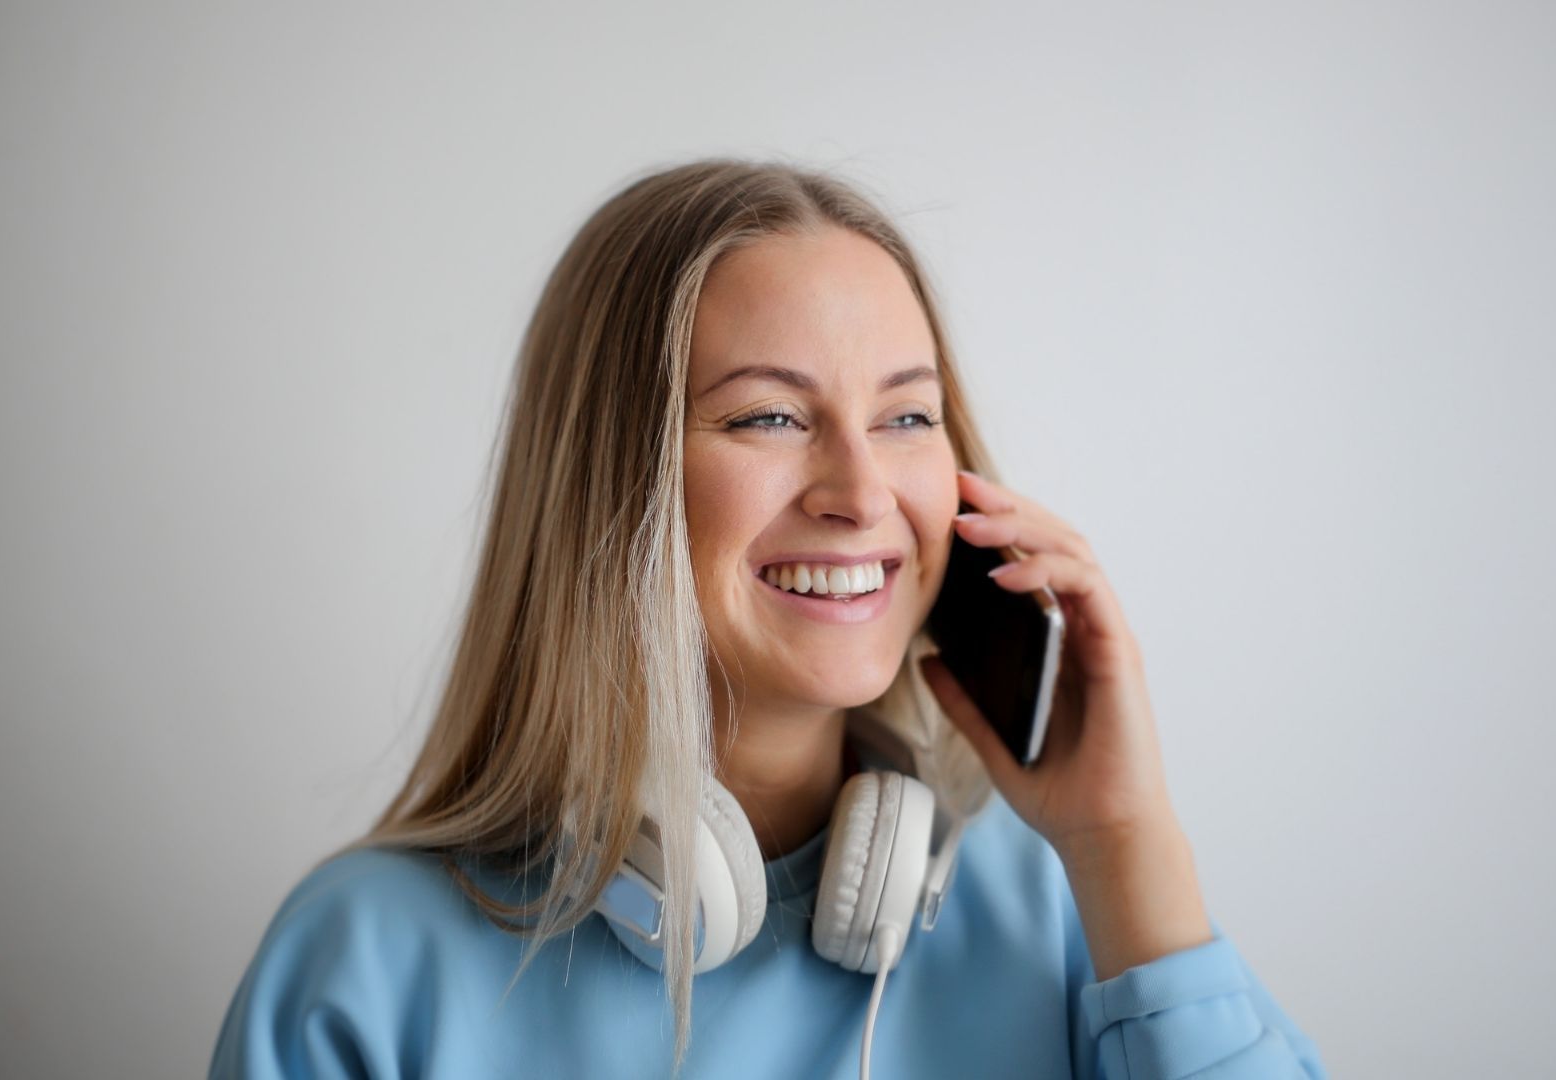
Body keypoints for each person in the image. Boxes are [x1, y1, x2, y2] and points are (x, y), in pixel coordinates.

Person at [208, 157, 1327, 1079]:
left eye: (907, 415)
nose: (861, 491)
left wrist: (1126, 846)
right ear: (611, 484)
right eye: (772, 415)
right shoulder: (363, 963)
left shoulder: (1065, 907)